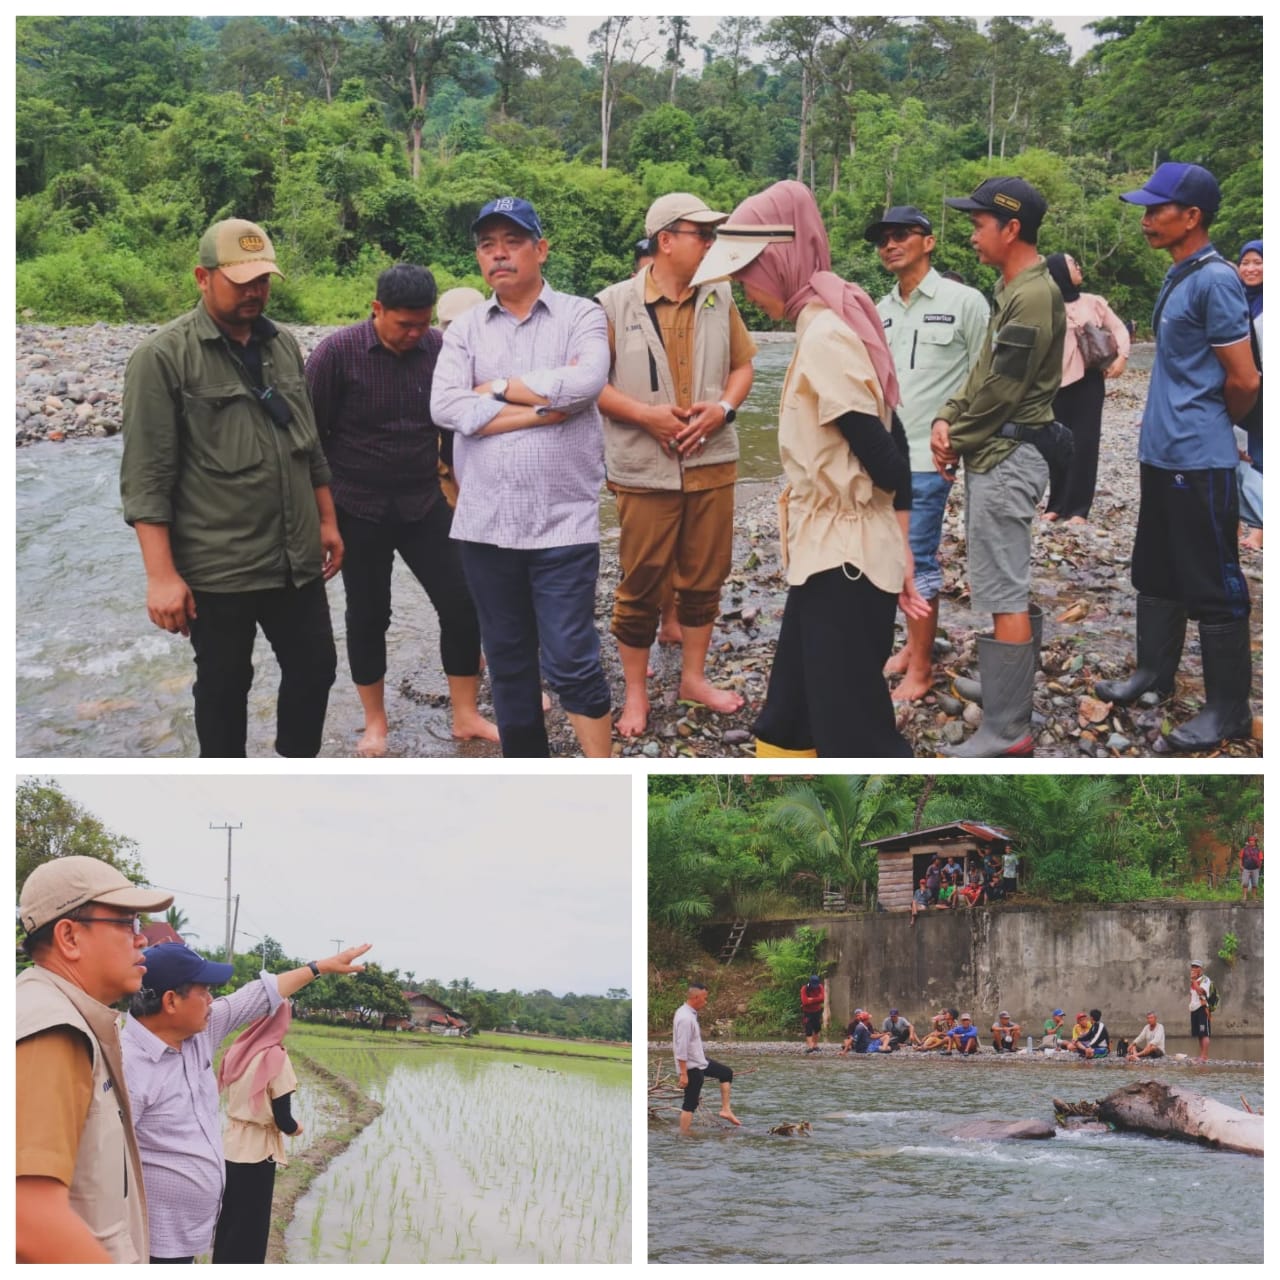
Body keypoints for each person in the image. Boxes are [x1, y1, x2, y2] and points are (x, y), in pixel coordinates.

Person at [691, 179, 927, 757]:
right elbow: (892, 439)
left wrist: (894, 539)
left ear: (779, 260)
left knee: (852, 726)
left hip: (844, 557)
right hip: (829, 549)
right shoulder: (827, 316)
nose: (744, 288)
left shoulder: (825, 332)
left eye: (749, 272)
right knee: (791, 709)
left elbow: (890, 458)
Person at [120, 218, 341, 757]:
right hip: (219, 566)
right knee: (223, 688)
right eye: (241, 281)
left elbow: (307, 443)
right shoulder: (163, 357)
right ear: (203, 276)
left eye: (263, 279)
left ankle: (295, 766)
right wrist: (161, 576)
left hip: (294, 557)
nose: (255, 292)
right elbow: (147, 477)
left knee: (316, 668)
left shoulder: (283, 345)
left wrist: (329, 521)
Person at [430, 196, 613, 757]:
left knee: (570, 657)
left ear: (541, 249)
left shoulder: (581, 315)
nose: (499, 255)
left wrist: (499, 387)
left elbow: (585, 385)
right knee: (508, 664)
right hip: (485, 525)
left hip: (562, 524)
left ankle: (605, 779)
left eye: (512, 242)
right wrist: (538, 408)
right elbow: (445, 407)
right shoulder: (464, 330)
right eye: (488, 245)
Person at [304, 264, 498, 757]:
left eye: (422, 324)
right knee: (369, 615)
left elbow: (456, 425)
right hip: (358, 506)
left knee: (462, 602)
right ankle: (375, 723)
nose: (414, 334)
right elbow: (308, 442)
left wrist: (466, 487)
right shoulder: (336, 354)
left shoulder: (438, 350)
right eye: (403, 325)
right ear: (376, 310)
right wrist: (324, 519)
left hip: (422, 500)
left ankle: (466, 715)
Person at [1099, 164, 1258, 751]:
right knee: (1157, 569)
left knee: (1214, 583)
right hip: (1162, 456)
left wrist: (1213, 425)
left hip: (1200, 458)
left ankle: (1228, 710)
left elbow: (1244, 378)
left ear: (1192, 216)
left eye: (1156, 209)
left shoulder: (1216, 280)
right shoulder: (1180, 274)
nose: (1146, 220)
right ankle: (1153, 674)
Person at [596, 192, 757, 736]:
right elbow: (591, 385)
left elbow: (744, 367)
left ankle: (692, 678)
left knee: (705, 578)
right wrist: (648, 417)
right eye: (701, 235)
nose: (711, 245)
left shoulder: (720, 294)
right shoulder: (612, 303)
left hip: (712, 462)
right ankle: (636, 696)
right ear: (666, 240)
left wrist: (723, 409)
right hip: (644, 469)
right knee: (640, 582)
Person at [122, 939, 371, 1261]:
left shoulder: (198, 1036)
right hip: (148, 1244)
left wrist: (318, 967)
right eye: (204, 991)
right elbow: (104, 1170)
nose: (212, 1001)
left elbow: (256, 994)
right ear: (171, 1001)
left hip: (190, 1236)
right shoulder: (126, 1066)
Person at [930, 178, 1065, 756]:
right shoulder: (1012, 287)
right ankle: (1006, 688)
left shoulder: (1033, 296)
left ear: (1012, 229)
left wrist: (954, 438)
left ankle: (1008, 729)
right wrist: (947, 415)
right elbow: (982, 373)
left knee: (1003, 589)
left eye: (980, 223)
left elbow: (1003, 392)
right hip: (997, 447)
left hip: (1007, 454)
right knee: (1002, 578)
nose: (971, 232)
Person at [16, 856, 174, 1263]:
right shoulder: (51, 1027)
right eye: (128, 924)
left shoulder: (71, 1017)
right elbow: (26, 1216)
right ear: (69, 937)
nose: (143, 940)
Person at [868, 206, 989, 701]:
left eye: (900, 236)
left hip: (928, 457)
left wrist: (957, 438)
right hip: (881, 456)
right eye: (882, 240)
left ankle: (920, 670)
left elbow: (986, 377)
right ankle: (906, 647)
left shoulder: (966, 302)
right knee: (889, 560)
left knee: (917, 559)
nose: (890, 245)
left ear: (929, 242)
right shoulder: (881, 308)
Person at [1042, 252, 1130, 523]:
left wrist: (1122, 357)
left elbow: (1119, 329)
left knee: (1084, 444)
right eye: (1072, 264)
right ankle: (1056, 504)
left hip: (1088, 381)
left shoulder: (1093, 302)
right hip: (1054, 383)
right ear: (1058, 271)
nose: (1079, 267)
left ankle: (1079, 508)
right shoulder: (1045, 303)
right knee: (1057, 444)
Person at [211, 1003, 301, 1263]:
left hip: (229, 1145)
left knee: (229, 1221)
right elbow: (284, 1119)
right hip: (257, 1152)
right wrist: (297, 1129)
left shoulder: (238, 1049)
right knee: (251, 1227)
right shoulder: (275, 1057)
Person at [672, 982, 739, 1131]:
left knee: (726, 1073)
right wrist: (683, 1074)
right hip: (691, 1066)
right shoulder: (685, 1018)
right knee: (690, 1104)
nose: (706, 1001)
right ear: (696, 997)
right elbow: (681, 1047)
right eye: (704, 998)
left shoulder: (689, 1013)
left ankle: (726, 1109)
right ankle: (684, 1137)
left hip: (700, 1061)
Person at [1234, 242, 1263, 550]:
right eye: (1246, 263)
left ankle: (1259, 528)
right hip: (1246, 388)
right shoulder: (1240, 300)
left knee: (1262, 458)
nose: (1251, 268)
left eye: (1258, 262)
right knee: (1248, 456)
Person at [1189, 960, 1214, 1062]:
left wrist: (1194, 980)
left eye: (1196, 967)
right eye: (1193, 967)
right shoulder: (1194, 981)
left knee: (1204, 1033)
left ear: (1201, 969)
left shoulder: (1205, 980)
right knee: (1199, 1033)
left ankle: (1204, 1056)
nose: (1194, 969)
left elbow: (1200, 991)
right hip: (1194, 1008)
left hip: (1202, 1008)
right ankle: (1201, 1055)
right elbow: (1192, 994)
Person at [799, 974, 826, 1053]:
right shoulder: (804, 989)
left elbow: (822, 998)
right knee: (808, 1028)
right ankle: (810, 1046)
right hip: (807, 1012)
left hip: (817, 1011)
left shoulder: (820, 987)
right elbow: (805, 1001)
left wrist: (811, 999)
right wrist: (816, 1000)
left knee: (817, 1028)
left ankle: (815, 1045)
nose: (815, 987)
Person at [1239, 834, 1263, 902]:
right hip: (1246, 868)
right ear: (1248, 842)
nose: (1251, 842)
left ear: (1255, 842)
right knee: (1245, 883)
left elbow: (1261, 859)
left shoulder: (1258, 850)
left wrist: (1259, 867)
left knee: (1255, 883)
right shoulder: (1244, 850)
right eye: (1250, 840)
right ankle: (1244, 896)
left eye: (1253, 840)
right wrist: (1240, 866)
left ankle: (1254, 897)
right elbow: (1240, 858)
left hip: (1255, 869)